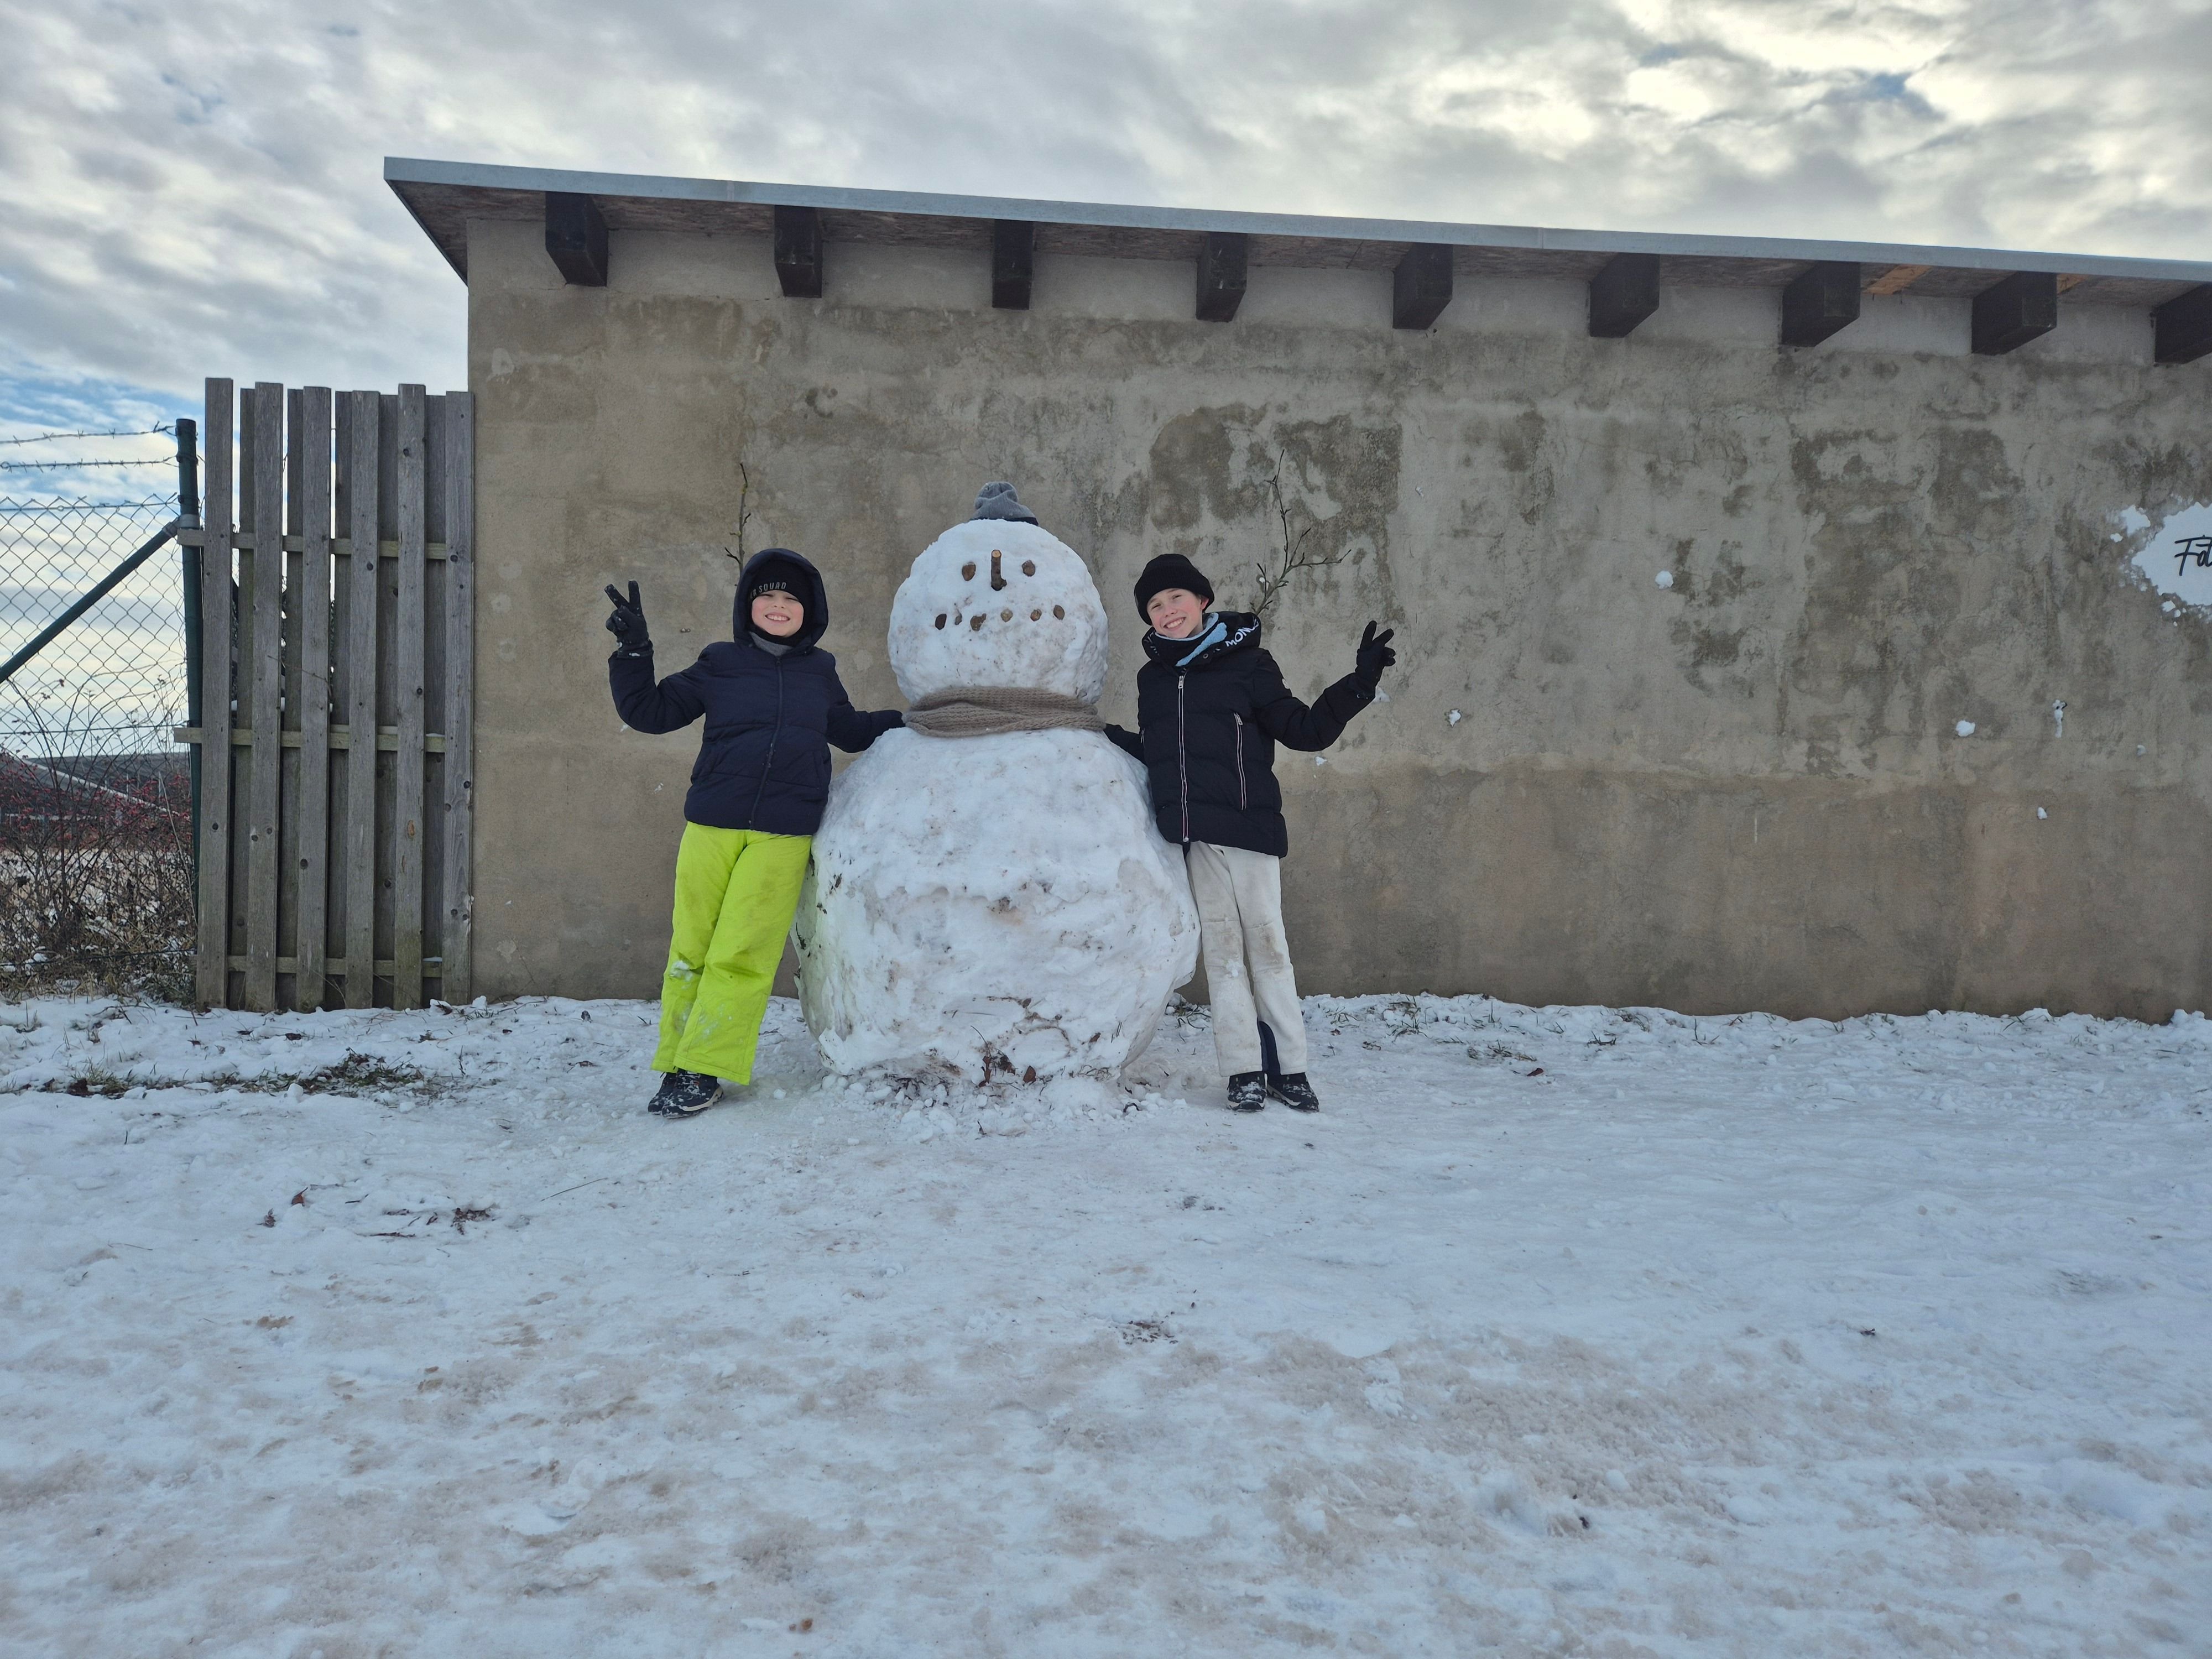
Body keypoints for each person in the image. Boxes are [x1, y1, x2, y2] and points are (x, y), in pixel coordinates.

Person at [605, 550, 902, 1118]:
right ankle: (677, 1060)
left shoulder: (820, 671)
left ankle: (704, 1068)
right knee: (691, 948)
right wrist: (634, 652)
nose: (778, 606)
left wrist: (913, 721)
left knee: (741, 952)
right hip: (712, 825)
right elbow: (651, 712)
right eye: (768, 596)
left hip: (782, 835)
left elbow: (850, 730)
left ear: (809, 610)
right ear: (748, 605)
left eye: (791, 598)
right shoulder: (720, 662)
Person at [1106, 555, 1394, 1113]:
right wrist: (1109, 738)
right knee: (1222, 957)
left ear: (1202, 601)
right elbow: (1163, 753)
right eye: (1155, 605)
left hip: (1248, 830)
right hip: (1195, 838)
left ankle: (1289, 1068)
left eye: (1176, 598)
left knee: (1268, 949)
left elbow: (1304, 730)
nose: (1167, 611)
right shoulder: (1154, 679)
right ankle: (1243, 1070)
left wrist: (1359, 684)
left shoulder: (1248, 663)